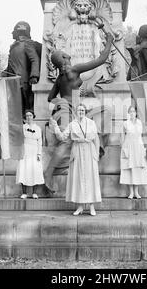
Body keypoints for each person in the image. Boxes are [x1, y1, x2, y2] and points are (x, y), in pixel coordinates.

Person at [44, 30, 114, 191]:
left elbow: (50, 98)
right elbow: (101, 59)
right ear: (63, 59)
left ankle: (90, 153)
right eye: (64, 53)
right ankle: (48, 174)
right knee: (67, 140)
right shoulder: (74, 70)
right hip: (68, 109)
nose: (67, 54)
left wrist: (61, 102)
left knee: (104, 112)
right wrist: (109, 40)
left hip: (71, 108)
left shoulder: (60, 77)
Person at [50, 103, 101, 216]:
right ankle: (80, 206)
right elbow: (62, 137)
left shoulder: (91, 123)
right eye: (79, 110)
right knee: (78, 179)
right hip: (77, 151)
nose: (81, 112)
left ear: (85, 111)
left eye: (82, 110)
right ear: (76, 112)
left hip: (89, 151)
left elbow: (96, 139)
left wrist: (96, 154)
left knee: (90, 178)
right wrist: (56, 127)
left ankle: (92, 206)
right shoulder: (72, 124)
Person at [1, 21, 41, 116]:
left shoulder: (28, 44)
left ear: (20, 32)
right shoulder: (14, 47)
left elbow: (34, 60)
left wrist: (34, 76)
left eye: (14, 31)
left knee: (27, 107)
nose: (12, 33)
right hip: (13, 82)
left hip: (25, 82)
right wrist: (1, 75)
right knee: (17, 108)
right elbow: (10, 67)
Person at [119, 106, 147, 198]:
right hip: (128, 146)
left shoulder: (139, 123)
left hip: (138, 147)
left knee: (137, 169)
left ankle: (136, 192)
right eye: (130, 112)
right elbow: (122, 137)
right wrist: (124, 148)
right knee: (129, 169)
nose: (132, 113)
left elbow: (141, 136)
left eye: (133, 111)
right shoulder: (125, 123)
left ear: (136, 113)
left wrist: (143, 148)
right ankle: (131, 192)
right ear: (128, 113)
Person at [16, 109, 45, 199]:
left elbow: (39, 141)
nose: (29, 117)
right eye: (27, 116)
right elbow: (19, 140)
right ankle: (24, 192)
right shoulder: (22, 127)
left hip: (34, 150)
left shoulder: (37, 128)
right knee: (24, 169)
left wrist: (39, 153)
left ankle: (34, 192)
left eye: (30, 115)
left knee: (35, 169)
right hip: (25, 150)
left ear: (33, 117)